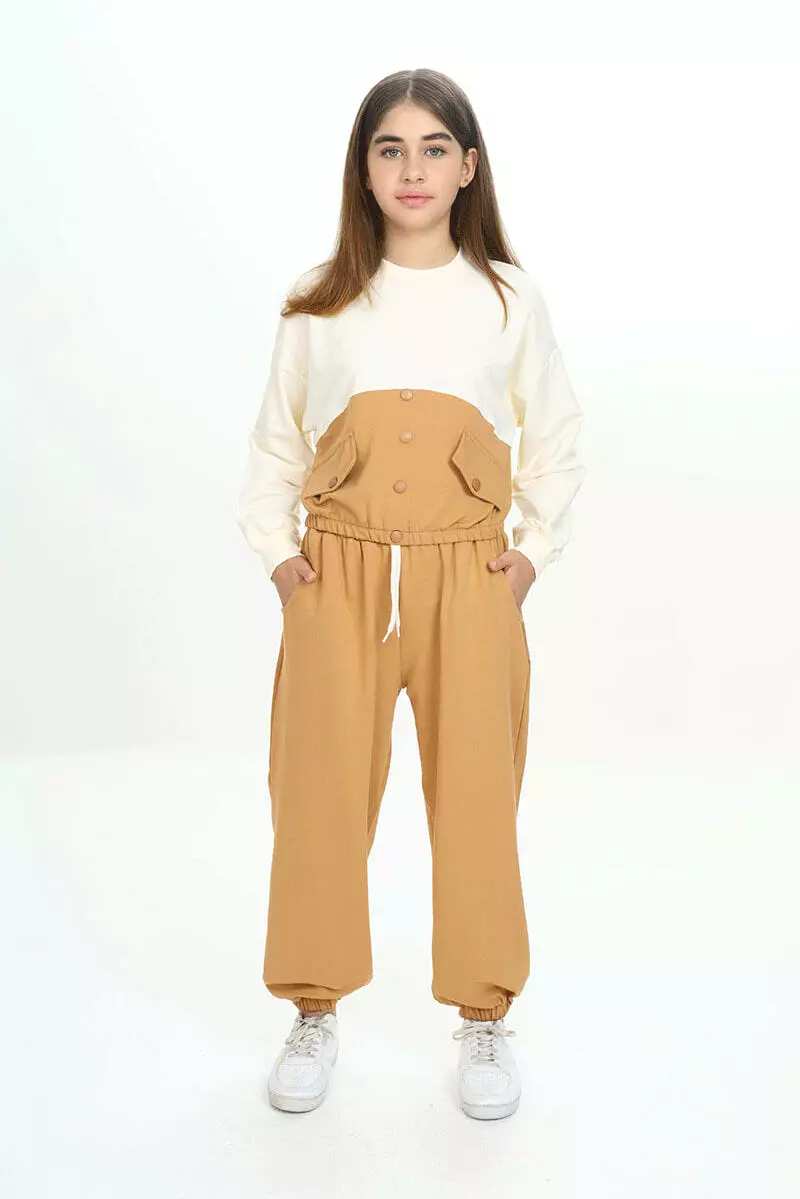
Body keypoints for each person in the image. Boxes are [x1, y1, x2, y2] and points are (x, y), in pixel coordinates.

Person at [235, 68, 587, 1120]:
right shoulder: (320, 298)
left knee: (476, 795)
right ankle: (313, 1006)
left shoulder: (506, 298)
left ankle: (483, 1016)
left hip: (465, 576)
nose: (412, 169)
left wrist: (529, 556)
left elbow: (556, 438)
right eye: (389, 148)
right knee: (317, 796)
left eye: (435, 147)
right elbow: (276, 439)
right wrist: (280, 558)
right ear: (364, 168)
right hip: (336, 573)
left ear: (469, 165)